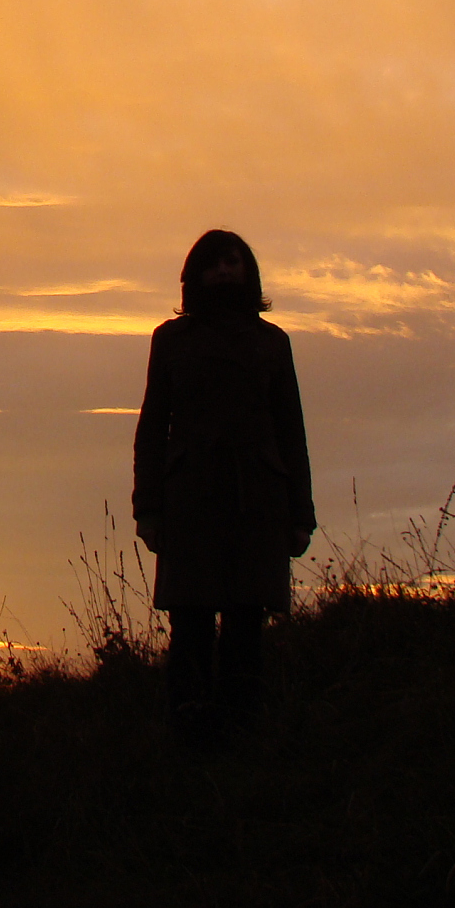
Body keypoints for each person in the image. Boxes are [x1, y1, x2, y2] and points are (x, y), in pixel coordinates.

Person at [131, 229, 316, 740]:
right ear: (195, 275)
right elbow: (152, 426)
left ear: (249, 272)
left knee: (246, 622)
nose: (224, 272)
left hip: (258, 497)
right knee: (189, 623)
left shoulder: (272, 343)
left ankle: (242, 729)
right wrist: (147, 506)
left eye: (233, 262)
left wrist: (301, 516)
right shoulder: (170, 340)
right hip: (189, 497)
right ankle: (188, 728)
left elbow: (290, 427)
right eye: (213, 264)